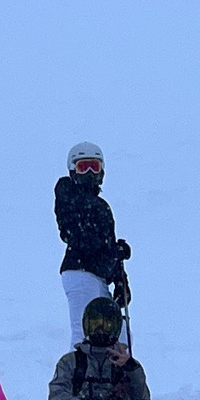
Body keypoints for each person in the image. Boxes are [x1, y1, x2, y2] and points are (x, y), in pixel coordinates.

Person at [49, 295, 164, 400]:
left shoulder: (126, 363)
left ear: (116, 327)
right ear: (86, 325)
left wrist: (132, 370)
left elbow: (142, 399)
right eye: (95, 324)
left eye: (107, 325)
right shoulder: (70, 361)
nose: (100, 330)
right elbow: (58, 394)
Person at [55, 142, 131, 349]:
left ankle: (114, 377)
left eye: (94, 167)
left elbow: (104, 243)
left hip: (99, 276)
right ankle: (74, 377)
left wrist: (120, 279)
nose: (89, 173)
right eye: (83, 167)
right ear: (73, 170)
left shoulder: (102, 206)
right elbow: (74, 234)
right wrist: (111, 249)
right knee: (84, 329)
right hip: (79, 271)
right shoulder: (68, 194)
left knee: (119, 332)